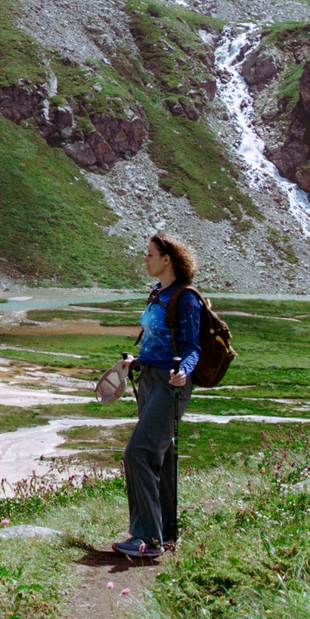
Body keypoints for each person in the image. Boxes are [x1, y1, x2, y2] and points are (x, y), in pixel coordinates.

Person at [112, 232, 201, 561]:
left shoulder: (186, 299)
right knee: (160, 457)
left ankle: (146, 538)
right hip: (150, 379)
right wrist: (137, 361)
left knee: (138, 452)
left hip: (170, 385)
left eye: (150, 255)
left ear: (168, 260)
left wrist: (184, 372)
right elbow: (155, 340)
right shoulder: (157, 294)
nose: (145, 259)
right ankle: (165, 533)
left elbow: (192, 349)